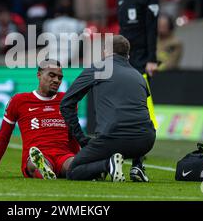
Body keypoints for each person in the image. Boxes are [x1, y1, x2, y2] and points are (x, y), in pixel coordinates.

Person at [60, 35, 156, 182]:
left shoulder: (99, 68)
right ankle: (137, 167)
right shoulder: (138, 75)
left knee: (74, 171)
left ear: (105, 52)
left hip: (114, 139)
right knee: (135, 114)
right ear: (128, 55)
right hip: (146, 142)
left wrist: (82, 139)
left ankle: (108, 165)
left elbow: (66, 103)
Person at [0, 59, 80, 179]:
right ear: (39, 75)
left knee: (75, 166)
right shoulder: (19, 101)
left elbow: (73, 136)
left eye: (60, 77)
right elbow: (3, 137)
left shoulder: (66, 100)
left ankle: (87, 169)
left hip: (63, 155)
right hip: (38, 154)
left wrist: (79, 158)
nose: (56, 80)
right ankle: (43, 169)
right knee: (35, 163)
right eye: (52, 75)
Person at [115, 0, 159, 129]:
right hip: (125, 58)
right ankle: (128, 132)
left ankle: (150, 133)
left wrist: (152, 59)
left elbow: (152, 28)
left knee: (143, 99)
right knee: (124, 97)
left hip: (142, 58)